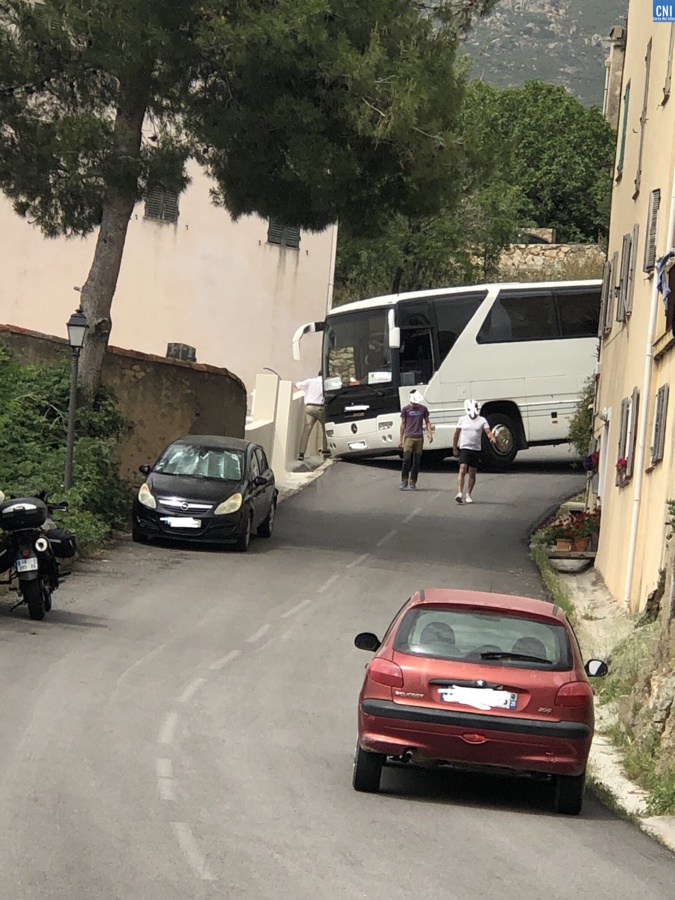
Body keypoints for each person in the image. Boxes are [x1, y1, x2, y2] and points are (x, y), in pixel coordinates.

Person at [453, 399, 497, 504]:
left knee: (472, 472)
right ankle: (459, 493)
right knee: (462, 469)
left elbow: (488, 432)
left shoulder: (482, 420)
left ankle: (469, 494)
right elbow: (456, 434)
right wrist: (455, 447)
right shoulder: (462, 419)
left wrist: (492, 438)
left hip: (476, 449)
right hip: (464, 448)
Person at [399, 390, 433, 490]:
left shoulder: (423, 409)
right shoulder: (406, 409)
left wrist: (429, 433)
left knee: (416, 461)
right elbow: (403, 424)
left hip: (419, 437)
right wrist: (401, 439)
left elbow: (427, 422)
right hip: (409, 437)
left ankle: (413, 482)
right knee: (406, 459)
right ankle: (404, 480)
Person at [296, 372, 330, 461]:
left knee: (306, 431)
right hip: (320, 408)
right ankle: (326, 451)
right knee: (325, 429)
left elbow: (297, 385)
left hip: (309, 407)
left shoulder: (310, 381)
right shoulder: (326, 383)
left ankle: (301, 453)